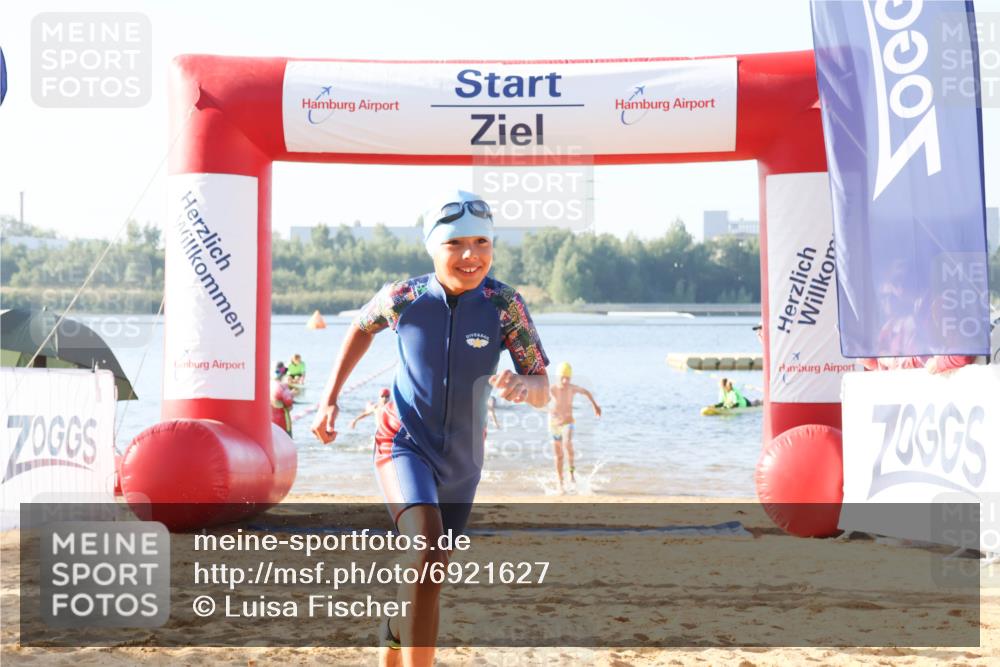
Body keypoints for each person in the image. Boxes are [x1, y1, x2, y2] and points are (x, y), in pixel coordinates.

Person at [310, 190, 549, 667]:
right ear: (432, 247)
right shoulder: (405, 297)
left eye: (482, 242)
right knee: (427, 550)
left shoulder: (504, 305)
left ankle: (395, 629)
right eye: (456, 243)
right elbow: (360, 327)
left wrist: (522, 385)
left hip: (464, 462)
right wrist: (329, 399)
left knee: (430, 571)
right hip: (403, 444)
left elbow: (544, 387)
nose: (470, 255)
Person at [548, 361, 601, 493]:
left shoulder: (572, 388)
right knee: (558, 455)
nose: (565, 381)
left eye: (568, 378)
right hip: (554, 425)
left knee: (567, 444)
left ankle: (571, 473)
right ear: (558, 377)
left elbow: (587, 392)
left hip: (568, 423)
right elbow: (538, 396)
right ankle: (560, 482)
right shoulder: (552, 389)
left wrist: (595, 406)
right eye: (562, 377)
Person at [270, 362, 294, 435]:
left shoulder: (267, 384)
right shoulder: (283, 387)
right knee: (287, 442)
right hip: (282, 421)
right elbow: (289, 403)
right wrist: (292, 394)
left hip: (270, 421)